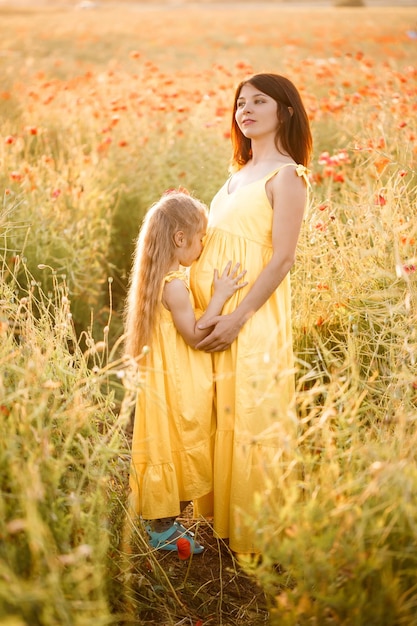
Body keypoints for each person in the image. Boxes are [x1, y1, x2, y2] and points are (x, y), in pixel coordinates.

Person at [190, 73, 313, 555]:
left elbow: (283, 257)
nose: (246, 109)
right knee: (219, 414)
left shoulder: (286, 175)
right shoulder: (236, 173)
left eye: (259, 101)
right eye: (241, 102)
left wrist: (239, 316)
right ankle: (220, 528)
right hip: (217, 312)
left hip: (251, 318)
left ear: (284, 110)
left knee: (252, 417)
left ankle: (257, 542)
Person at [124, 190, 247, 554]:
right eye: (200, 239)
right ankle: (162, 530)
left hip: (170, 379)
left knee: (173, 444)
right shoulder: (175, 286)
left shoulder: (160, 278)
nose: (202, 246)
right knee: (178, 444)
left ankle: (163, 523)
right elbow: (195, 335)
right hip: (179, 382)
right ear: (180, 239)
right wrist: (221, 296)